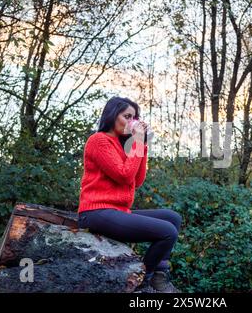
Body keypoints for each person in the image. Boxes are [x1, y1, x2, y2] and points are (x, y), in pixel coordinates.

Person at [77, 96, 182, 293]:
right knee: (168, 232)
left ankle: (159, 275)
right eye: (127, 116)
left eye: (135, 117)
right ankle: (144, 279)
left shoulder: (122, 145)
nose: (132, 121)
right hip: (95, 212)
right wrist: (137, 142)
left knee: (172, 218)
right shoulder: (98, 140)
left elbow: (137, 180)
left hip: (117, 211)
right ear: (112, 115)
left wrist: (141, 144)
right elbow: (124, 176)